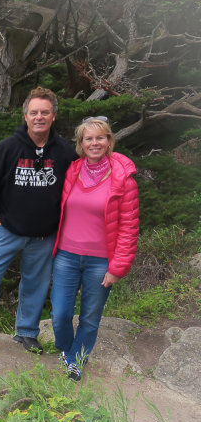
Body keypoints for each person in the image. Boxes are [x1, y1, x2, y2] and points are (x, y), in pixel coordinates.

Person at [0, 87, 79, 360]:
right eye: (34, 112)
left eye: (45, 112)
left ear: (54, 116)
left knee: (36, 285)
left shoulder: (64, 152)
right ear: (25, 116)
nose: (39, 117)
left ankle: (26, 332)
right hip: (7, 231)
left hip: (44, 235)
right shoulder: (7, 148)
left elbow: (77, 189)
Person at [50, 117, 139, 381]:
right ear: (81, 144)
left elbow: (129, 228)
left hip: (101, 260)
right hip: (66, 255)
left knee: (89, 317)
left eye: (100, 137)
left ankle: (77, 361)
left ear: (109, 141)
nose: (94, 143)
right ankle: (67, 351)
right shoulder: (71, 171)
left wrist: (117, 269)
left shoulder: (124, 179)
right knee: (60, 314)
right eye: (88, 138)